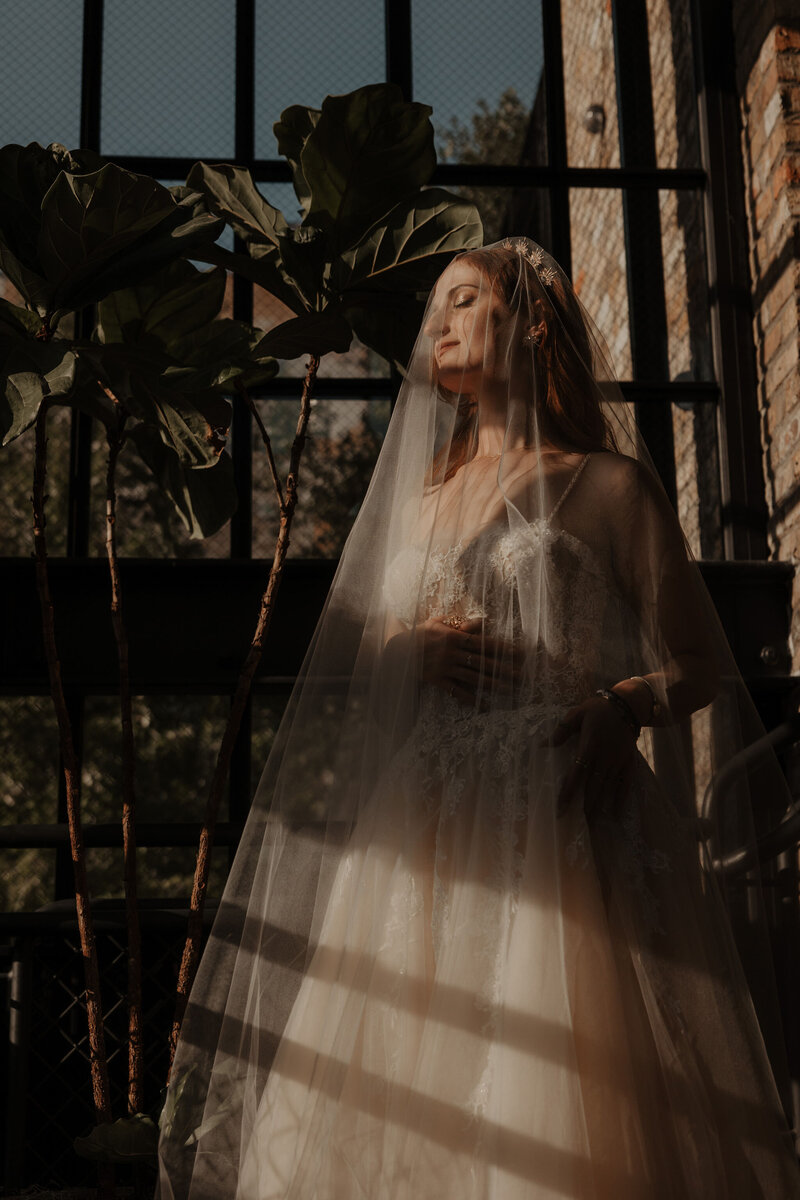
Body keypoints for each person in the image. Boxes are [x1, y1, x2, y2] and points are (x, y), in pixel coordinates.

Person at [157, 238, 800, 1198]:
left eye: (463, 299)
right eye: (434, 307)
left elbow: (700, 666)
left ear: (529, 321)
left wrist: (618, 709)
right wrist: (403, 652)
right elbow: (364, 662)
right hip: (421, 824)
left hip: (564, 802)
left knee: (557, 1095)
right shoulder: (417, 506)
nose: (439, 322)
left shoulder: (613, 488)